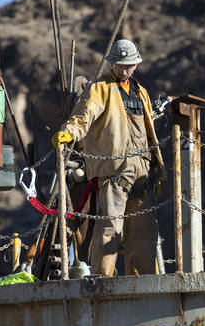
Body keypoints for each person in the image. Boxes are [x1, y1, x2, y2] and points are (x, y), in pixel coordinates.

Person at [52, 39, 164, 276]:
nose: (125, 70)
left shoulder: (140, 92)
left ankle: (144, 280)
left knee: (143, 228)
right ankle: (102, 278)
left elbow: (148, 129)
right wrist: (68, 132)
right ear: (112, 64)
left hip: (141, 169)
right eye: (121, 65)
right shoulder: (99, 89)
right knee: (111, 225)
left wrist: (157, 166)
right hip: (114, 170)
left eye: (129, 65)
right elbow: (83, 116)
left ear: (135, 64)